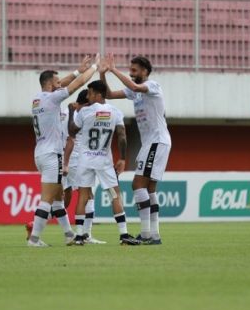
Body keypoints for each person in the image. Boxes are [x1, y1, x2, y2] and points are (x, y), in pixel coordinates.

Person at [27, 54, 99, 247]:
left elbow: (67, 81)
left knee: (58, 199)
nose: (61, 83)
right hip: (52, 154)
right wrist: (94, 68)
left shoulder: (37, 99)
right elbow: (78, 84)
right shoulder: (54, 99)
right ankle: (34, 238)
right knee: (48, 199)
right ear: (51, 84)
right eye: (57, 82)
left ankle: (69, 235)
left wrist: (78, 70)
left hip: (40, 153)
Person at [99, 54, 171, 245]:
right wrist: (102, 74)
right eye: (130, 70)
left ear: (145, 71)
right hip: (151, 143)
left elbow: (134, 86)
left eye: (134, 70)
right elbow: (108, 95)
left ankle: (146, 234)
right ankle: (154, 235)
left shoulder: (153, 86)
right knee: (149, 188)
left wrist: (114, 69)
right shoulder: (135, 92)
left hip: (157, 141)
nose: (131, 73)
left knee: (137, 185)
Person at [68, 80, 140, 246]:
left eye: (90, 92)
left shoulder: (85, 112)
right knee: (115, 195)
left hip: (85, 160)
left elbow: (72, 131)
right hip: (104, 161)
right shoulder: (115, 112)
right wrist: (122, 158)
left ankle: (79, 237)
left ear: (98, 94)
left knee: (83, 197)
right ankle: (124, 235)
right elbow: (122, 136)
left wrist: (72, 112)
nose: (88, 96)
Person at [63, 89, 106, 244]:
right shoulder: (82, 114)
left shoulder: (71, 113)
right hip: (77, 159)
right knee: (87, 196)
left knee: (70, 198)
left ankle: (80, 234)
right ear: (87, 103)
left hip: (74, 159)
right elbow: (72, 138)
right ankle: (85, 235)